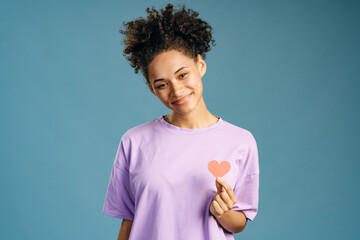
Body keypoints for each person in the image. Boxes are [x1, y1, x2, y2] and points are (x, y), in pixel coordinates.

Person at [102, 3, 259, 240]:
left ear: (201, 65)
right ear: (152, 89)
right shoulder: (134, 141)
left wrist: (223, 212)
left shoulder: (241, 141)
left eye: (182, 75)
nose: (176, 90)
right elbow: (129, 221)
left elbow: (239, 223)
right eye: (162, 84)